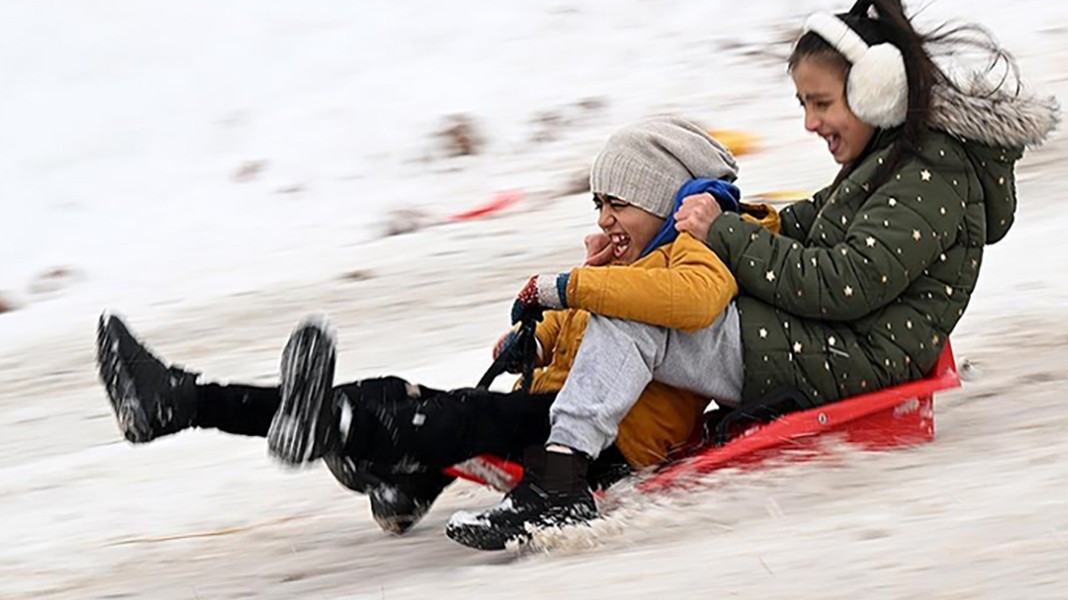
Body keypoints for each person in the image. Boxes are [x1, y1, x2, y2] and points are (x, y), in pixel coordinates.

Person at [447, 0, 1059, 550]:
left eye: (819, 103)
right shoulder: (896, 164)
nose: (810, 122)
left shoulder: (929, 177)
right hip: (836, 342)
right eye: (802, 104)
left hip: (857, 358)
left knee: (637, 312)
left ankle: (560, 479)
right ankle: (573, 447)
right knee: (653, 298)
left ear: (877, 91)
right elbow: (811, 223)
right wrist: (738, 220)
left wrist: (730, 236)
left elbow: (846, 283)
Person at [96, 117, 766, 536]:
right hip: (554, 411)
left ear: (665, 200)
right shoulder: (623, 270)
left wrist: (577, 286)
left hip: (605, 444)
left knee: (436, 417)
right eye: (598, 204)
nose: (603, 220)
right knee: (404, 397)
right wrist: (540, 335)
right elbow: (584, 344)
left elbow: (679, 310)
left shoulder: (687, 260)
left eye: (617, 203)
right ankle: (186, 402)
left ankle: (343, 436)